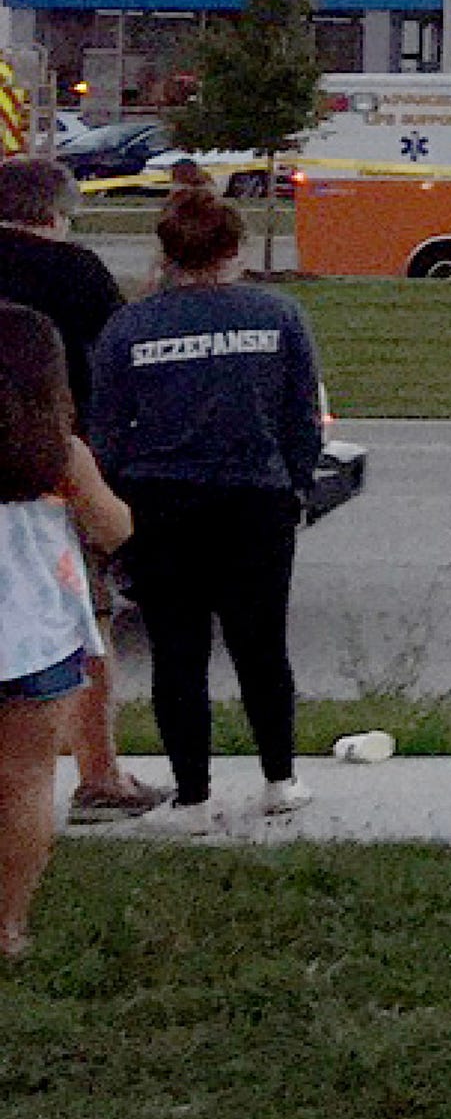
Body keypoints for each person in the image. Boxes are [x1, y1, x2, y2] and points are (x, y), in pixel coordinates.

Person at [88, 190, 326, 826]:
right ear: (235, 248)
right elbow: (301, 416)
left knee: (178, 651)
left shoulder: (129, 327)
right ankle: (280, 779)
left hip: (161, 503)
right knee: (261, 647)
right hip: (256, 499)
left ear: (165, 253)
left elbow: (106, 431)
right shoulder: (278, 315)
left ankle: (193, 793)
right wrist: (296, 485)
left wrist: (114, 511)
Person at [0, 157, 164, 824]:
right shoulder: (76, 271)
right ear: (54, 212)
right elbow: (121, 353)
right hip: (51, 465)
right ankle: (100, 776)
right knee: (84, 622)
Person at [0, 303, 132, 959]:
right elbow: (113, 528)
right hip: (34, 639)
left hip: (35, 637)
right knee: (23, 782)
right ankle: (8, 927)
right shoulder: (57, 453)